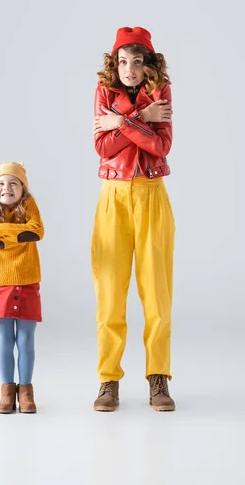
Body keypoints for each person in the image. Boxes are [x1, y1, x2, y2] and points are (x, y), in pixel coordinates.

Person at [92, 26, 176, 412]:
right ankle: (109, 380)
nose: (129, 69)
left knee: (156, 292)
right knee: (109, 291)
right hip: (113, 198)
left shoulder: (161, 92)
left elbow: (161, 146)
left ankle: (158, 378)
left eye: (136, 62)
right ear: (115, 64)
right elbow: (102, 146)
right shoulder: (104, 93)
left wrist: (122, 121)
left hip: (151, 195)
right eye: (122, 62)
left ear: (148, 64)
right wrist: (142, 117)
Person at [0, 162, 44, 414]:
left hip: (28, 280)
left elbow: (37, 232)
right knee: (5, 340)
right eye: (1, 183)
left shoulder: (29, 205)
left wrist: (1, 229)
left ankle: (26, 391)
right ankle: (7, 391)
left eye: (13, 183)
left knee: (26, 340)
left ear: (22, 189)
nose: (7, 188)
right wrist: (16, 233)